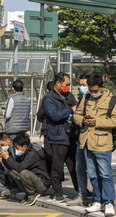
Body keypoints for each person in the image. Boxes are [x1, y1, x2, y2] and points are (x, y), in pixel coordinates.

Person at [73, 73, 116, 217]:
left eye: (95, 90)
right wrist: (83, 120)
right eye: (91, 90)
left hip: (102, 143)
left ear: (102, 87)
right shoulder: (86, 98)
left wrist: (97, 122)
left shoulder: (113, 100)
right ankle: (97, 200)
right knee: (93, 175)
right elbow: (76, 115)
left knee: (105, 174)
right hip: (87, 141)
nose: (93, 93)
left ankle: (108, 202)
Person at [43, 72, 78, 202]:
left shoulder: (69, 96)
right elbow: (54, 115)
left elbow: (77, 107)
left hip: (71, 136)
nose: (68, 87)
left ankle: (81, 191)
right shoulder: (49, 99)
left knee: (75, 166)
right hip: (58, 137)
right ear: (58, 83)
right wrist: (70, 110)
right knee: (57, 166)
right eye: (66, 84)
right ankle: (58, 193)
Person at [0, 133, 50, 206]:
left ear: (24, 147)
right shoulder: (23, 153)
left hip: (42, 184)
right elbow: (13, 166)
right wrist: (4, 159)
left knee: (24, 173)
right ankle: (28, 192)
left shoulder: (32, 154)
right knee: (12, 172)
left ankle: (32, 194)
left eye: (17, 148)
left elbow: (20, 167)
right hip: (34, 181)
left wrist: (7, 158)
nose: (16, 150)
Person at [67, 74, 91, 207]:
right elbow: (77, 117)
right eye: (80, 85)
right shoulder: (80, 99)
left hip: (93, 139)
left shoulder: (94, 99)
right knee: (80, 168)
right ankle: (82, 194)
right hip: (80, 138)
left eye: (84, 85)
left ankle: (101, 198)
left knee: (96, 171)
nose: (82, 87)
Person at [37, 81, 54, 173]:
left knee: (49, 153)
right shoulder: (62, 98)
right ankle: (59, 174)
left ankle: (51, 173)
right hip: (59, 132)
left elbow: (39, 115)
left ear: (47, 90)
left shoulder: (47, 99)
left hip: (47, 130)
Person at [0, 132, 16, 198]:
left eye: (2, 144)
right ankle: (10, 185)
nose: (2, 147)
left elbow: (15, 165)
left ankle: (14, 186)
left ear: (8, 140)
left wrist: (6, 159)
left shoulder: (15, 148)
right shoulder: (8, 149)